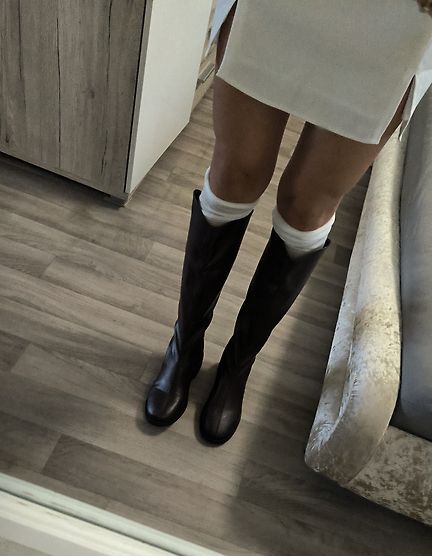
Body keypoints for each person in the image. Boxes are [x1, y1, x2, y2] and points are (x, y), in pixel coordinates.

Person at [145, 0, 432, 445]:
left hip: (397, 21)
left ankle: (238, 365)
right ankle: (185, 346)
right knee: (235, 175)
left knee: (307, 206)